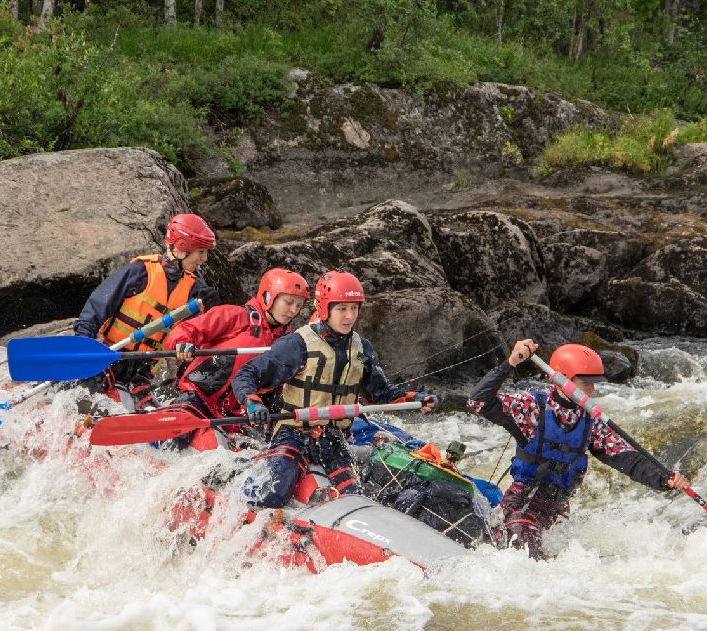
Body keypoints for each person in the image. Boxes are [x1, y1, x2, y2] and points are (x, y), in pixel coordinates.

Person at [469, 338, 693, 559]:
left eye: (594, 382)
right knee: (526, 547)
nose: (592, 389)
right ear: (562, 379)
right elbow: (478, 402)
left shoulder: (591, 421)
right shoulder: (532, 408)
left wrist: (663, 479)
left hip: (553, 515)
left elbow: (626, 458)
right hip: (519, 508)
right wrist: (510, 364)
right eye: (586, 382)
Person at [230, 271, 437, 507]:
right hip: (293, 434)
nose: (349, 316)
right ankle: (241, 490)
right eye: (342, 309)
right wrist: (252, 401)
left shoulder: (362, 348)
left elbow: (380, 393)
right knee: (273, 493)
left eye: (354, 308)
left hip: (333, 441)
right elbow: (248, 374)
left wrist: (416, 398)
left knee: (356, 500)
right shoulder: (297, 343)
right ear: (325, 308)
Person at [156, 267, 311, 449]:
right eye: (289, 302)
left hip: (234, 416)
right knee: (175, 438)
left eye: (299, 306)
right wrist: (182, 343)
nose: (293, 310)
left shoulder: (287, 342)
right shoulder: (236, 315)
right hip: (197, 398)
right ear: (269, 297)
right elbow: (187, 329)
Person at [73, 213, 221, 399]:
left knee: (143, 408)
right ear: (183, 247)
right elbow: (95, 309)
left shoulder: (196, 290)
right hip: (109, 356)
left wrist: (212, 311)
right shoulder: (139, 272)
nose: (205, 258)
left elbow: (204, 334)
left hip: (142, 372)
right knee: (87, 398)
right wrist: (84, 348)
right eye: (201, 251)